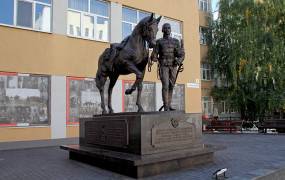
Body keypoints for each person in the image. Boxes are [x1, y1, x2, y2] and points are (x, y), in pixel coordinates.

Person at [151, 23, 185, 111]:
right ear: (162, 30)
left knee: (171, 86)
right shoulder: (159, 42)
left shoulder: (175, 41)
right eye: (165, 28)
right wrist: (154, 57)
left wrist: (179, 60)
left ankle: (169, 104)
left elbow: (181, 54)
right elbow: (154, 54)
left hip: (173, 66)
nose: (167, 29)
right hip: (163, 66)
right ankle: (165, 105)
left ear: (170, 30)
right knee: (165, 85)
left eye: (169, 28)